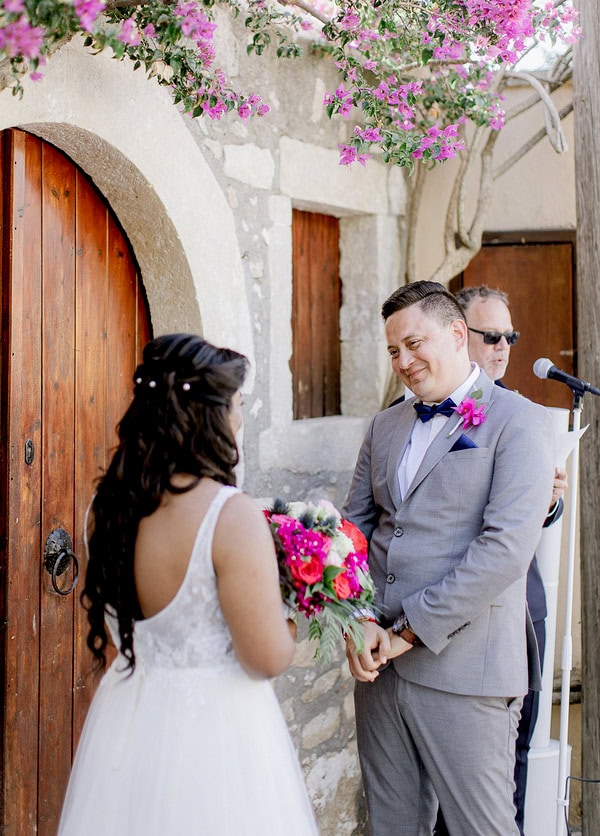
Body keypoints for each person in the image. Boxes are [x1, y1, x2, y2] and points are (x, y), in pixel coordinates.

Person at [58, 334, 318, 836]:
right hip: (216, 740)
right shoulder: (229, 516)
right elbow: (265, 658)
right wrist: (289, 612)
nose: (241, 421)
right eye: (238, 406)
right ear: (209, 414)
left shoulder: (106, 511)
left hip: (129, 726)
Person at [342, 281, 556, 836]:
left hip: (467, 671)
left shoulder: (520, 421)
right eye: (393, 351)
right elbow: (354, 532)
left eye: (415, 344)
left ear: (458, 333)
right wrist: (359, 620)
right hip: (379, 674)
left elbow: (505, 551)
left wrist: (407, 631)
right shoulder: (384, 425)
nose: (404, 362)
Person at [450, 283, 567, 836]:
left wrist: (547, 501)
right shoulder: (421, 415)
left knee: (517, 753)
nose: (503, 347)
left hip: (525, 607)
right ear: (457, 334)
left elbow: (529, 524)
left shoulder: (520, 414)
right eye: (491, 336)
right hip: (460, 619)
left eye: (510, 337)